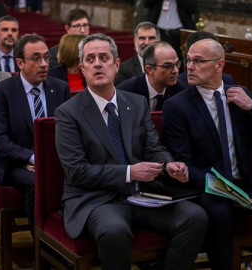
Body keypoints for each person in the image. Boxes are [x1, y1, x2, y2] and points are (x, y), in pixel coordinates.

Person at [55, 33, 207, 270]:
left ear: (116, 65)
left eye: (104, 58)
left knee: (195, 217)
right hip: (97, 199)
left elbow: (153, 147)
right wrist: (129, 172)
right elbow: (77, 172)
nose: (97, 63)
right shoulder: (68, 113)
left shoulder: (136, 103)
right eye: (90, 59)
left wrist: (168, 165)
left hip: (142, 195)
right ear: (82, 68)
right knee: (114, 230)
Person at [162, 38, 252, 270]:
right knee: (221, 214)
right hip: (207, 188)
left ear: (219, 65)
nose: (189, 67)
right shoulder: (177, 106)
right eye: (188, 61)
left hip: (245, 184)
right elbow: (185, 166)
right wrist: (229, 193)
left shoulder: (239, 94)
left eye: (198, 61)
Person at [0, 34, 69, 235]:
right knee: (36, 182)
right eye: (36, 58)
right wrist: (32, 158)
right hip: (14, 163)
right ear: (20, 63)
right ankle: (40, 245)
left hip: (55, 160)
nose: (43, 64)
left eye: (46, 58)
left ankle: (66, 236)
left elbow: (69, 131)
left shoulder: (60, 88)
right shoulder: (2, 92)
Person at [117, 41, 184, 111]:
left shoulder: (181, 92)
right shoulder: (126, 94)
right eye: (167, 66)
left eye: (177, 64)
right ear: (149, 69)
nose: (175, 71)